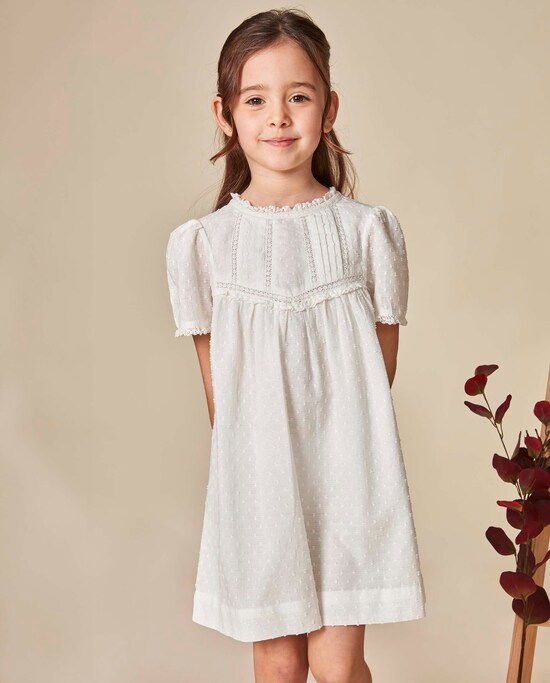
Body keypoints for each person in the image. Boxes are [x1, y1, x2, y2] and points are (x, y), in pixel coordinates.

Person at [166, 8, 426, 683]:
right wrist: (258, 480)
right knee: (279, 664)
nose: (278, 117)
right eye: (255, 100)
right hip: (258, 481)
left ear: (329, 108)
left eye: (299, 97)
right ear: (225, 115)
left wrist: (339, 451)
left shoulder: (368, 231)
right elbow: (220, 395)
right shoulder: (204, 246)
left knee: (337, 667)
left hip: (347, 476)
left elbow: (377, 372)